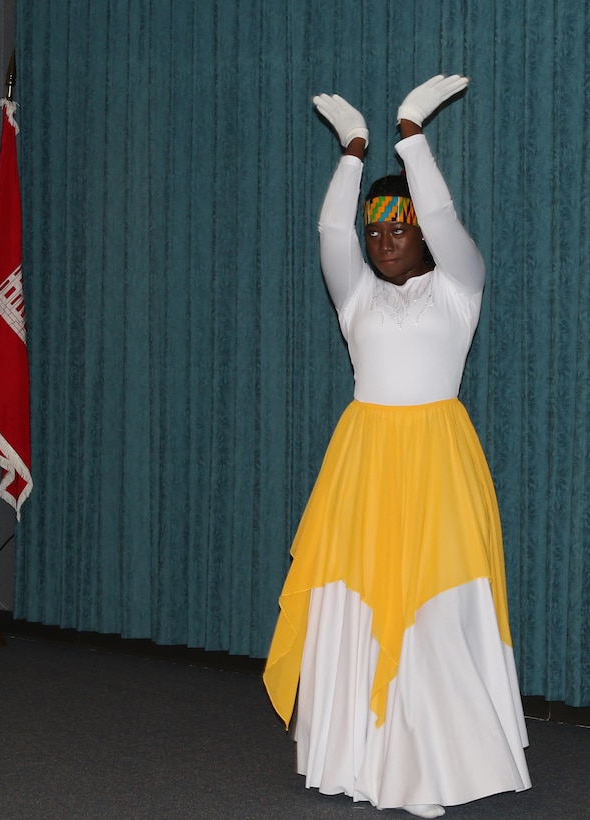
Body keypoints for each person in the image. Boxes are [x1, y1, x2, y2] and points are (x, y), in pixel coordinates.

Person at [263, 75, 531, 818]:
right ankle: (356, 757)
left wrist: (411, 133)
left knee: (434, 610)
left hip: (438, 459)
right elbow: (328, 235)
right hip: (364, 460)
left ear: (419, 232)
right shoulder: (355, 294)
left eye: (397, 229)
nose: (382, 242)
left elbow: (444, 217)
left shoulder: (460, 286)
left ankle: (426, 769)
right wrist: (350, 152)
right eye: (375, 231)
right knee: (355, 607)